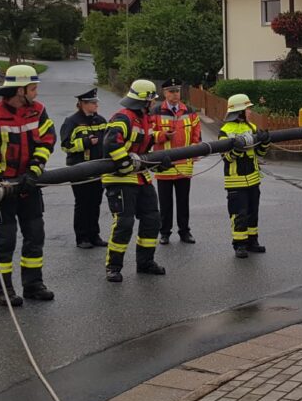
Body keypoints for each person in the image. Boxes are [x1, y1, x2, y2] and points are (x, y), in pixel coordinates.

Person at [0, 64, 57, 306]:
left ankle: (33, 284)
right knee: (5, 240)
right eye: (33, 88)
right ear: (20, 90)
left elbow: (47, 140)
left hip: (30, 184)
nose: (36, 93)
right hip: (1, 190)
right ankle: (3, 289)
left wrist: (34, 170)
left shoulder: (38, 111)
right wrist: (3, 186)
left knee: (35, 235)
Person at [102, 79, 165, 282]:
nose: (154, 103)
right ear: (144, 101)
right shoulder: (123, 117)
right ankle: (113, 266)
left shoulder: (144, 118)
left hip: (140, 177)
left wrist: (157, 160)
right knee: (124, 223)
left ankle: (145, 262)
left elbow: (143, 140)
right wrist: (125, 164)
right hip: (119, 179)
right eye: (152, 100)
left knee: (152, 219)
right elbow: (111, 143)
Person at [219, 93, 270, 258]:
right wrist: (236, 150)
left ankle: (252, 241)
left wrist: (265, 141)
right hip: (235, 181)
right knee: (238, 213)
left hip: (253, 180)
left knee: (252, 212)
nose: (250, 112)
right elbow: (226, 157)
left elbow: (260, 153)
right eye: (247, 109)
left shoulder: (252, 127)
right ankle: (239, 244)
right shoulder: (225, 131)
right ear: (239, 111)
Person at [152, 79, 201, 244]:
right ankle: (164, 232)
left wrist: (195, 151)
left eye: (177, 91)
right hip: (164, 165)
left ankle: (184, 232)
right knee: (165, 203)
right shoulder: (156, 111)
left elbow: (197, 135)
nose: (175, 94)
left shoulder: (190, 111)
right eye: (171, 91)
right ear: (164, 93)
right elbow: (149, 135)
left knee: (183, 202)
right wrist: (163, 135)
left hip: (184, 165)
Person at [59, 88, 109, 249]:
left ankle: (94, 235)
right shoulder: (72, 121)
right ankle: (82, 237)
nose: (96, 105)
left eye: (96, 102)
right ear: (82, 104)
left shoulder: (101, 121)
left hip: (98, 168)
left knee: (95, 203)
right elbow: (66, 146)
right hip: (79, 169)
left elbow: (108, 140)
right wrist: (86, 143)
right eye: (93, 103)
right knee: (82, 203)